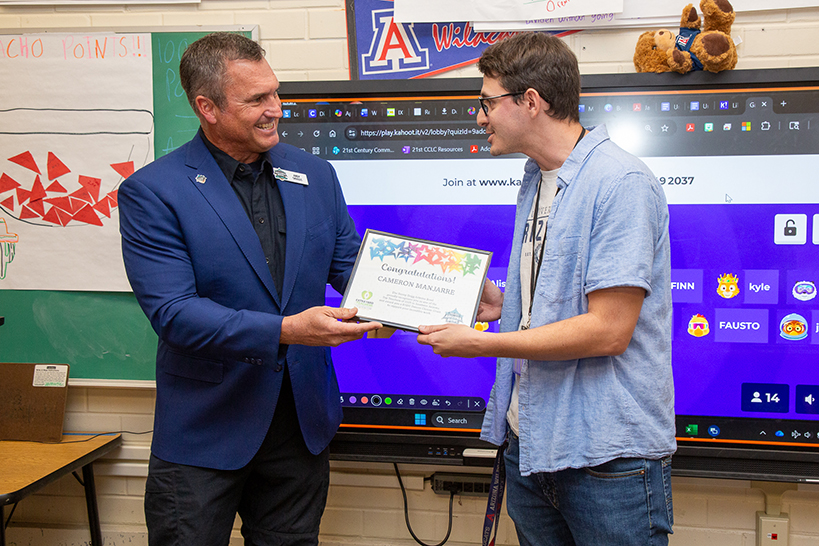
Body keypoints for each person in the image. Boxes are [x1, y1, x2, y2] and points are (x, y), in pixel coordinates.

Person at [118, 32, 380, 546]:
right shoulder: (154, 193)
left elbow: (354, 269)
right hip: (204, 433)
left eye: (276, 94)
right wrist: (286, 330)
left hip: (299, 427)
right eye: (257, 99)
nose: (276, 110)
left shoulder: (315, 173)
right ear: (207, 107)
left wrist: (450, 292)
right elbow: (174, 314)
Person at [417, 32, 675, 545]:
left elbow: (608, 331)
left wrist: (482, 345)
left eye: (487, 102)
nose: (479, 117)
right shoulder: (537, 176)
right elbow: (556, 294)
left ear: (530, 102)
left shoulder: (621, 182)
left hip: (607, 458)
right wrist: (503, 304)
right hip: (531, 444)